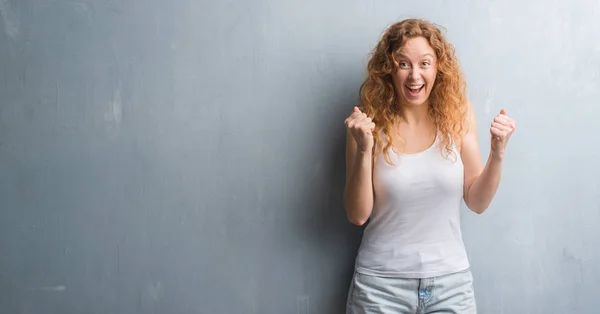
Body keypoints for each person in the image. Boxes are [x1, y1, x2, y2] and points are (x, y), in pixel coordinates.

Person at [343, 18, 516, 313]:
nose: (414, 76)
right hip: (379, 288)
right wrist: (364, 149)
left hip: (451, 286)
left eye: (424, 63)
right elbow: (358, 215)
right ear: (389, 68)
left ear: (438, 67)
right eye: (403, 64)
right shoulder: (367, 123)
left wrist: (497, 153)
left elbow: (477, 201)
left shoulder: (458, 115)